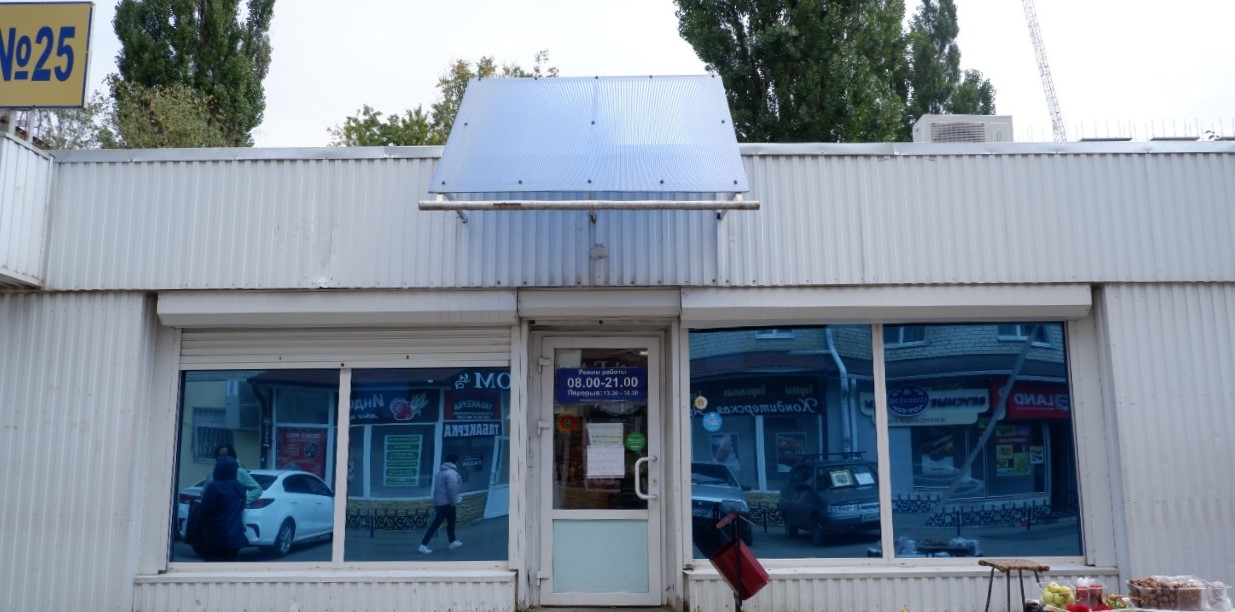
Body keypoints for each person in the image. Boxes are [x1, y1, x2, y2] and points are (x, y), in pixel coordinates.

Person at [194, 456, 249, 561]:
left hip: (215, 534)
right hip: (235, 535)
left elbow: (206, 509)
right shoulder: (238, 485)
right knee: (231, 564)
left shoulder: (214, 486)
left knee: (214, 564)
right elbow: (242, 505)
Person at [419, 453, 463, 554]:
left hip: (440, 503)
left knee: (448, 523)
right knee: (439, 524)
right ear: (455, 462)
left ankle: (452, 541)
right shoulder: (451, 473)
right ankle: (423, 545)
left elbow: (439, 490)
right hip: (448, 504)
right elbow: (452, 489)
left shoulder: (440, 473)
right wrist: (454, 501)